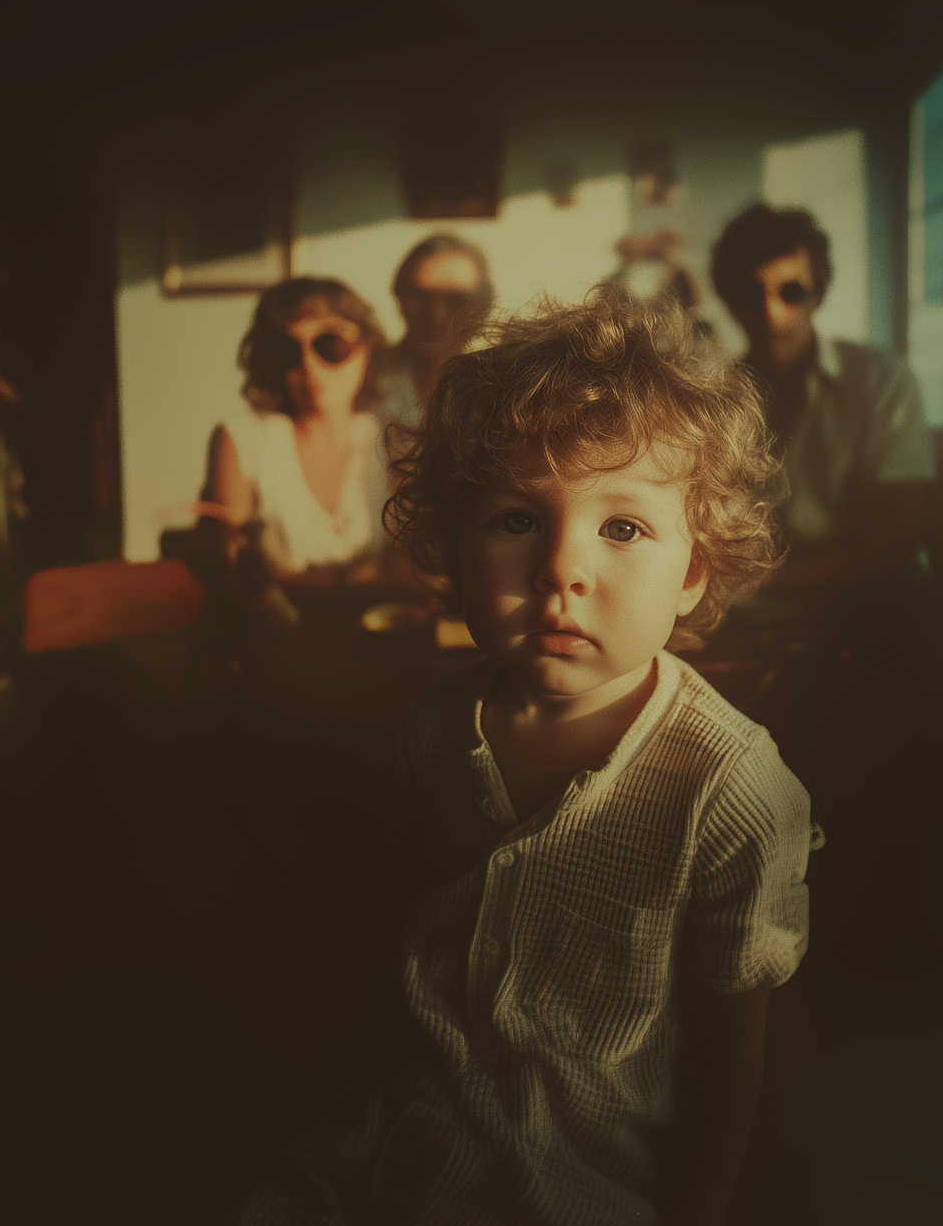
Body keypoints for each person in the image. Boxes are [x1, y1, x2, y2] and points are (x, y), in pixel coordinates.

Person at [245, 297, 812, 1226]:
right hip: (377, 1134)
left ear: (694, 571)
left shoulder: (735, 791)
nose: (560, 567)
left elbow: (731, 1063)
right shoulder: (434, 727)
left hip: (567, 1180)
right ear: (453, 549)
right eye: (516, 519)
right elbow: (392, 941)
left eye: (622, 528)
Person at [710, 203, 935, 606]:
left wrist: (761, 584)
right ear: (727, 298)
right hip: (751, 609)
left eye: (791, 292)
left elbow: (896, 540)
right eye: (750, 293)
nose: (771, 312)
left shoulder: (879, 381)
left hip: (868, 606)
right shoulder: (713, 396)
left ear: (819, 290)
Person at [200, 277, 388, 576]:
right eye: (287, 350)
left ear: (367, 348)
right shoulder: (243, 440)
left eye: (329, 345)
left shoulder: (390, 438)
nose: (309, 364)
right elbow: (230, 571)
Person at [379, 234, 495, 429]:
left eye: (456, 299)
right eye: (420, 296)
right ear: (399, 299)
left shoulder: (503, 384)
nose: (436, 314)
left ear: (484, 306)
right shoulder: (361, 377)